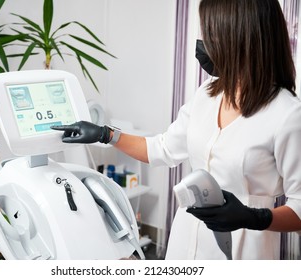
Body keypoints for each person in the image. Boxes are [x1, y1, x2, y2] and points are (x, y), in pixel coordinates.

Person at [52, 0, 301, 259]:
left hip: (245, 249)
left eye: (210, 32)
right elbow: (163, 148)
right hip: (185, 241)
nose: (203, 41)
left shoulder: (287, 114)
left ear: (239, 37)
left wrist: (253, 217)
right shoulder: (207, 94)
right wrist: (105, 134)